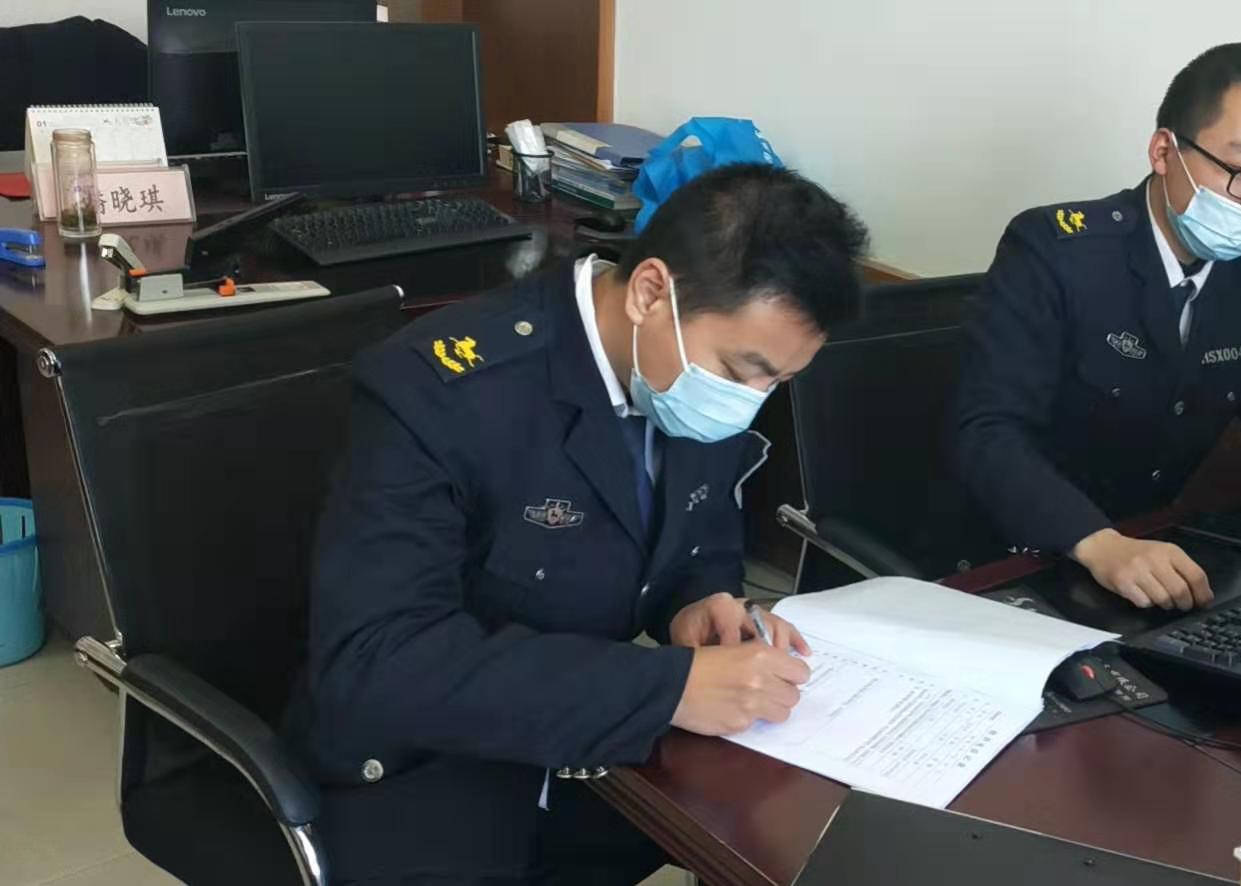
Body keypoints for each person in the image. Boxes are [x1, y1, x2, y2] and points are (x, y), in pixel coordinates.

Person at [286, 164, 869, 885]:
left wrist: (699, 604)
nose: (750, 400)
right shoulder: (440, 391)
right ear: (651, 292)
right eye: (741, 370)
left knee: (805, 839)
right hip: (427, 768)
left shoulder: (685, 375)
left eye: (778, 381)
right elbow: (376, 661)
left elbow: (697, 542)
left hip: (587, 744)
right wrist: (665, 688)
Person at [949, 43, 1241, 613]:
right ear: (1164, 151)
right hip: (1020, 560)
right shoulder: (1055, 252)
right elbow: (987, 433)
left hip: (1151, 562)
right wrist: (1099, 543)